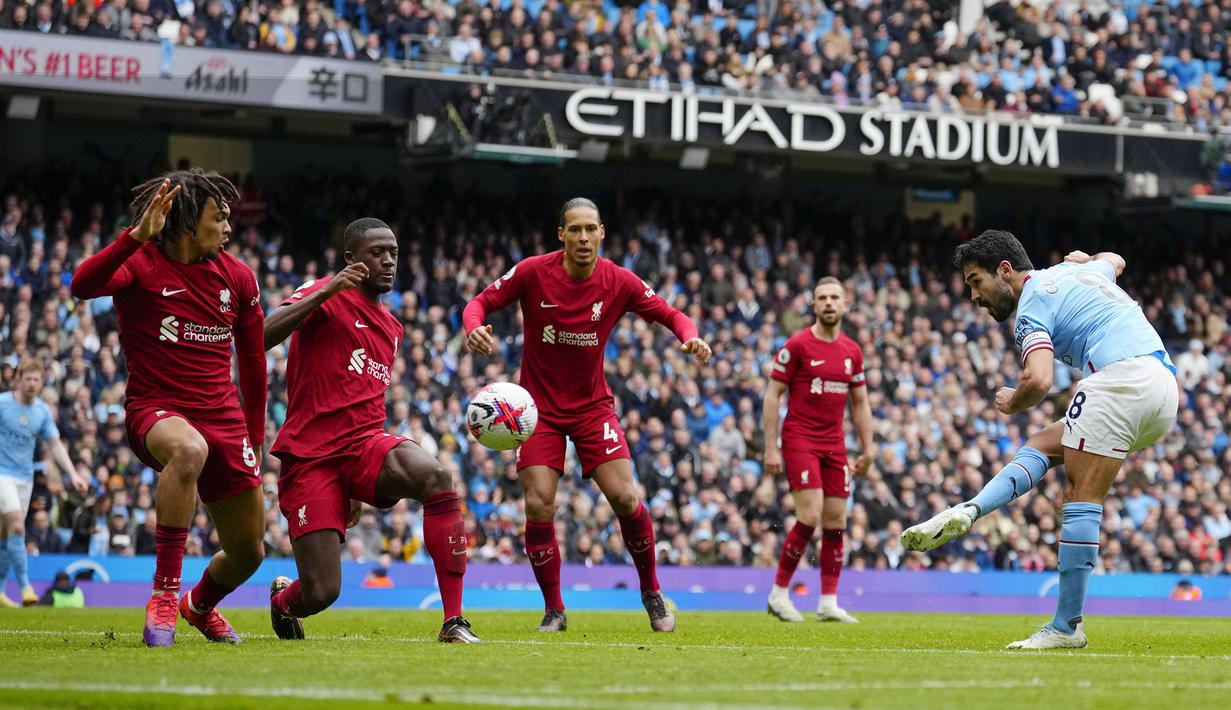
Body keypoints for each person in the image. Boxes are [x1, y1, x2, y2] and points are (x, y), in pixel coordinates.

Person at [902, 231, 1178, 649]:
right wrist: (1090, 259)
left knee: (1079, 494)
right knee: (1045, 444)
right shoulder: (1071, 272)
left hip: (1121, 378)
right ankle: (970, 510)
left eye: (976, 281)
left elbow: (1039, 380)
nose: (974, 296)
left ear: (1005, 270)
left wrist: (1012, 401)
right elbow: (1117, 259)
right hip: (1163, 388)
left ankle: (1066, 627)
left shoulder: (1030, 305)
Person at [462, 198, 712, 633]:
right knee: (539, 504)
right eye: (574, 229)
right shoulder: (532, 271)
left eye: (590, 229)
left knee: (625, 498)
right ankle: (555, 610)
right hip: (536, 410)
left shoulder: (619, 281)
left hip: (592, 408)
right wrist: (474, 328)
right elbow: (478, 303)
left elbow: (671, 314)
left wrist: (691, 338)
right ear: (561, 234)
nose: (582, 237)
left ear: (602, 233)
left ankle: (651, 590)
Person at [70, 171, 267, 646]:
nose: (227, 228)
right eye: (218, 218)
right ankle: (162, 594)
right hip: (155, 410)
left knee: (248, 554)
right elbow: (82, 285)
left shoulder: (237, 277)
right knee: (187, 449)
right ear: (184, 222)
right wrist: (135, 236)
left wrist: (255, 438)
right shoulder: (139, 263)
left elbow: (255, 362)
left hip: (225, 420)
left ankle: (197, 606)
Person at [265, 218, 478, 644]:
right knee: (322, 592)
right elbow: (258, 336)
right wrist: (328, 290)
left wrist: (358, 486)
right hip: (311, 458)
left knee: (437, 478)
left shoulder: (392, 328)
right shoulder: (322, 292)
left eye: (393, 254)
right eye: (376, 252)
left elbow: (361, 397)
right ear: (350, 259)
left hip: (364, 446)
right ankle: (283, 602)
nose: (387, 261)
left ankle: (453, 621)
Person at [763, 277, 875, 623]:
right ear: (813, 305)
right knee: (809, 515)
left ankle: (828, 601)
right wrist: (771, 447)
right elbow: (772, 396)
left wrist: (868, 448)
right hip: (799, 439)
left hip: (835, 444)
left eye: (834, 298)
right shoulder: (797, 345)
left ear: (845, 305)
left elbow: (860, 403)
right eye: (822, 298)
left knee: (836, 520)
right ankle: (779, 594)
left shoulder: (852, 351)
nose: (828, 303)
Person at [0, 358, 87, 608]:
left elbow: (55, 444)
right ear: (18, 379)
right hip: (2, 475)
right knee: (17, 527)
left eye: (36, 379)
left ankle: (0, 591)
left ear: (41, 382)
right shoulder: (3, 404)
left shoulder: (41, 411)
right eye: (27, 378)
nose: (32, 383)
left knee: (5, 535)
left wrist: (72, 473)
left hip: (24, 478)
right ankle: (26, 586)